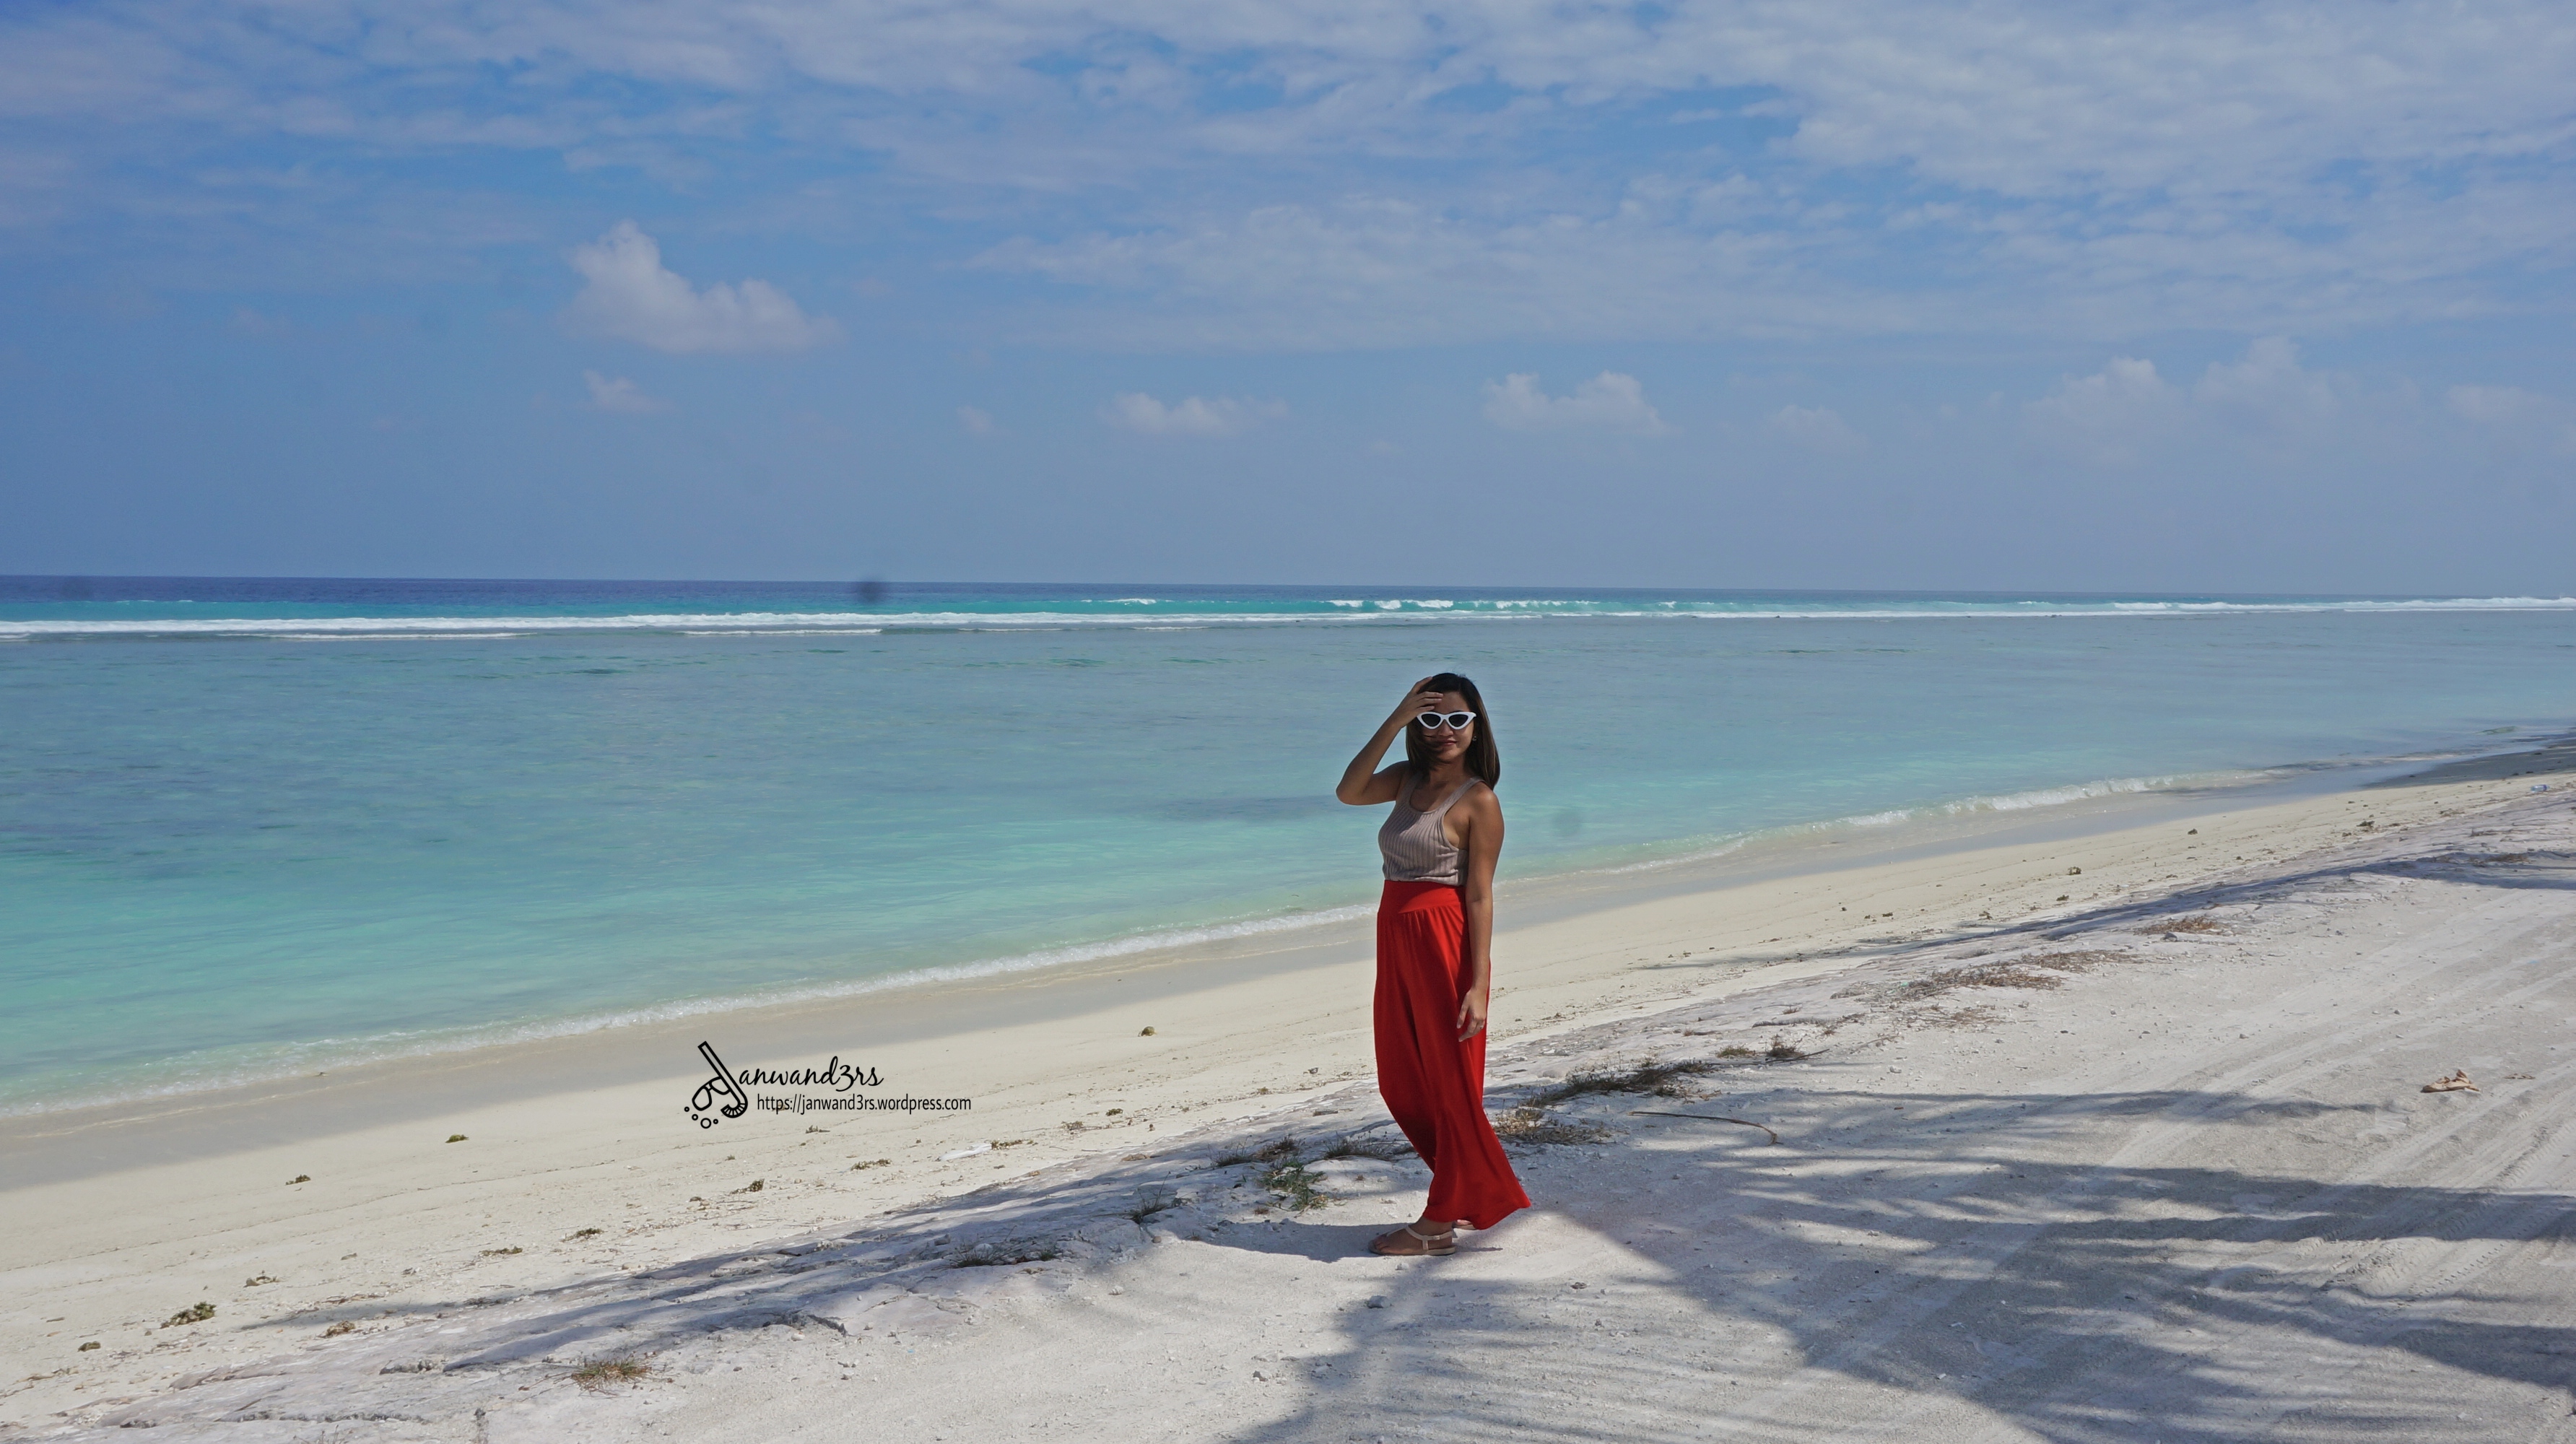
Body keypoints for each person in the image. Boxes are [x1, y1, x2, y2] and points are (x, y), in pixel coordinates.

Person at [1335, 673, 1531, 1256]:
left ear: (1477, 727)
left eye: (1457, 719)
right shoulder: (1406, 780)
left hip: (1443, 943)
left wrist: (1479, 984)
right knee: (1401, 1079)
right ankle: (1470, 1189)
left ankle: (1438, 1223)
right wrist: (1394, 718)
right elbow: (1349, 791)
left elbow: (1480, 896)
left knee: (1451, 1087)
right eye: (1430, 719)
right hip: (1396, 938)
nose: (1445, 730)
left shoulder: (1478, 800)